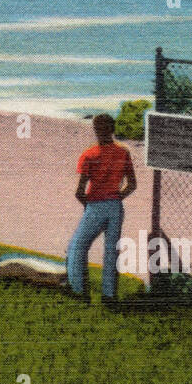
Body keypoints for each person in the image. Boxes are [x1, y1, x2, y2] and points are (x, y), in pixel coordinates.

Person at [67, 113, 137, 306]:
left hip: (96, 205)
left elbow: (79, 192)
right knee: (111, 251)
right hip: (115, 206)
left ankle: (79, 290)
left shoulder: (89, 154)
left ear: (96, 130)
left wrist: (88, 205)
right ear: (113, 129)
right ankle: (109, 295)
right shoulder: (124, 152)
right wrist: (116, 197)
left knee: (77, 247)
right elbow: (132, 185)